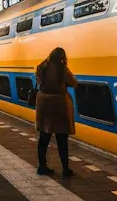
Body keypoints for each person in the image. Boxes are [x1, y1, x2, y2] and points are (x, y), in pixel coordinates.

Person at [35, 47, 77, 177]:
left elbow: (39, 82)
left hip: (44, 104)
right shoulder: (62, 69)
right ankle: (65, 169)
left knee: (43, 138)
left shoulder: (41, 67)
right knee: (62, 139)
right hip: (59, 105)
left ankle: (42, 166)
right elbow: (73, 83)